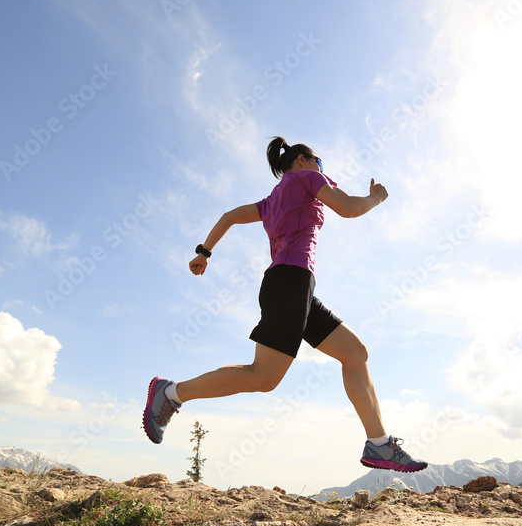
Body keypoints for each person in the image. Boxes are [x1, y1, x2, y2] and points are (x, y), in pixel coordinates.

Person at [143, 136, 427, 473]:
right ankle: (172, 393)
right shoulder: (307, 177)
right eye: (321, 163)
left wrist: (204, 252)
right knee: (263, 376)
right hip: (290, 282)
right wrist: (376, 197)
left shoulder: (271, 200)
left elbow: (229, 215)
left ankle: (379, 445)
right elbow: (349, 208)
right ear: (304, 160)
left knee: (354, 353)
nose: (324, 171)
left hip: (295, 286)